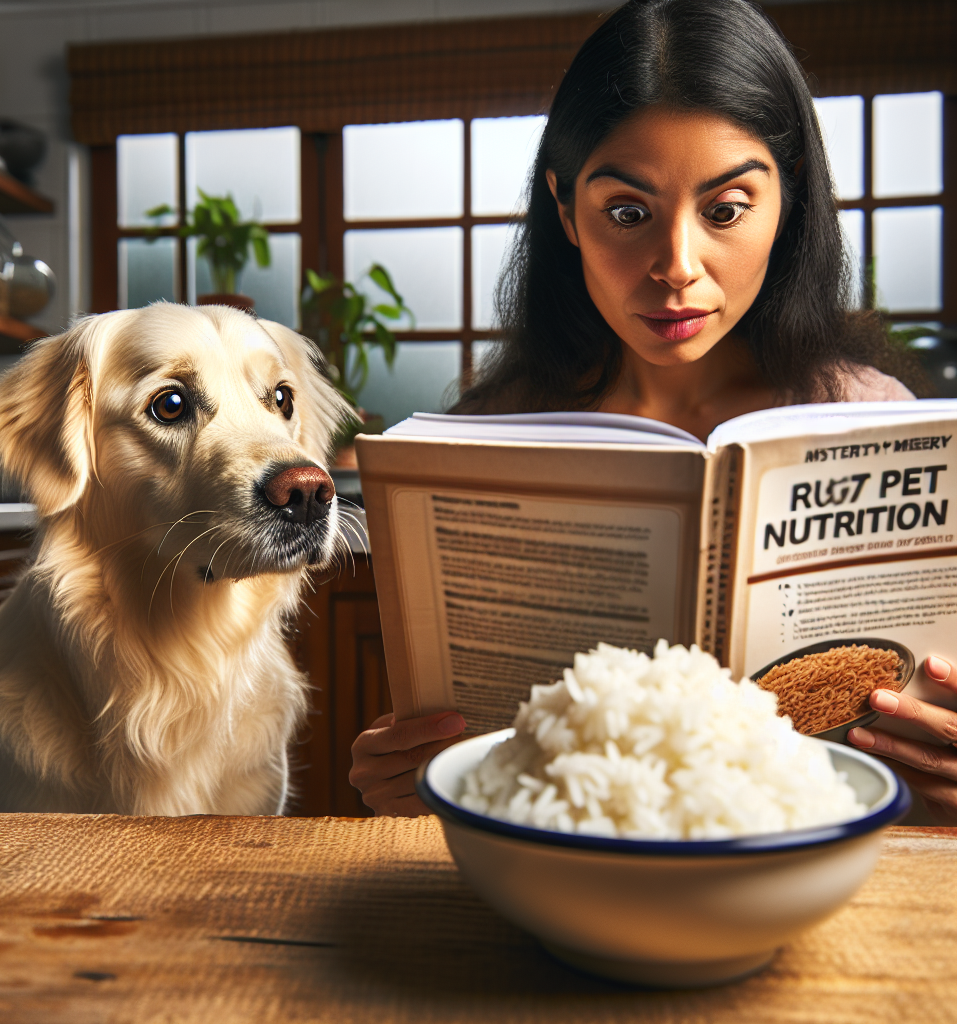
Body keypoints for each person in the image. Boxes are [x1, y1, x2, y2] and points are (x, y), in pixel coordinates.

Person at [349, 0, 957, 822]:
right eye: (627, 213)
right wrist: (411, 772)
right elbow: (459, 747)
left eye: (727, 209)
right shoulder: (493, 430)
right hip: (563, 874)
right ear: (566, 209)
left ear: (791, 201)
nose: (675, 265)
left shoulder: (872, 415)